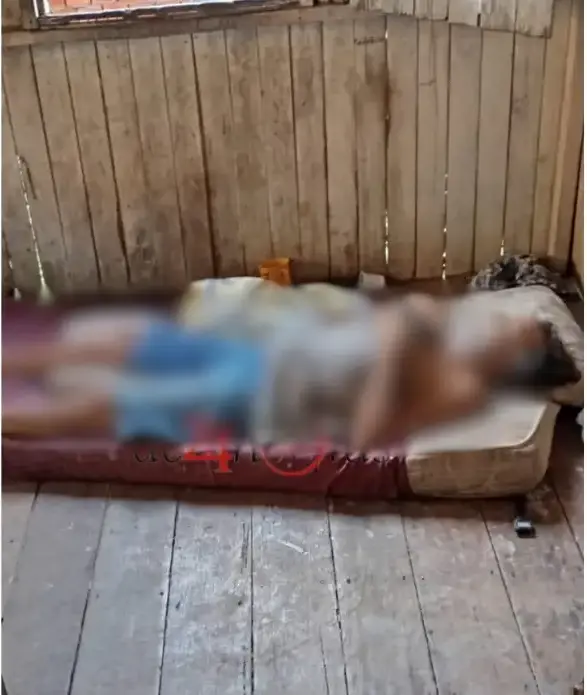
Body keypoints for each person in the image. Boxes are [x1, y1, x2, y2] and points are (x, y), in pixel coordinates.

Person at [2, 294, 544, 451]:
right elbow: (359, 323)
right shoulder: (436, 320)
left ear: (514, 365)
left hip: (268, 399)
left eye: (519, 335)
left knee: (118, 405)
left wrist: (394, 349)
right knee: (128, 342)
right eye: (512, 318)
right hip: (264, 353)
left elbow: (368, 435)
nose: (506, 325)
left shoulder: (462, 388)